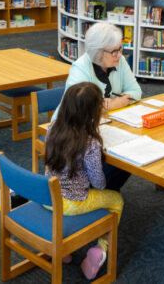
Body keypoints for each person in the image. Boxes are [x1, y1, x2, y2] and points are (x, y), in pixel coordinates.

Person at [45, 82, 124, 280]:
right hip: (70, 203)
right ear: (92, 112)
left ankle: (62, 250)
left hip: (46, 196)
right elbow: (98, 182)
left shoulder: (52, 127)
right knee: (116, 200)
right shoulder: (90, 142)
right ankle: (100, 249)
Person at [53, 22, 142, 192]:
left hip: (106, 124)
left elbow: (136, 91)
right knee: (120, 158)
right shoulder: (81, 68)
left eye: (120, 48)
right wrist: (117, 103)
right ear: (98, 53)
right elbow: (80, 108)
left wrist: (108, 105)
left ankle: (100, 189)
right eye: (114, 51)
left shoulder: (119, 60)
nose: (119, 55)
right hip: (74, 128)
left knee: (128, 153)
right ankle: (98, 193)